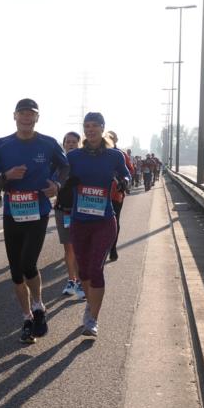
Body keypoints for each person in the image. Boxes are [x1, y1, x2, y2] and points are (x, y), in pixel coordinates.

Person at [0, 99, 68, 344]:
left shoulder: (49, 143)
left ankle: (39, 305)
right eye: (22, 113)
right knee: (15, 272)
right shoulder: (2, 145)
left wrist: (58, 185)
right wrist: (6, 176)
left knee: (28, 263)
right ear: (14, 116)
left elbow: (66, 168)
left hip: (38, 211)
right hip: (13, 213)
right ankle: (27, 318)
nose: (26, 117)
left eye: (31, 114)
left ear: (37, 118)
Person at [66, 113, 131, 337]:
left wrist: (124, 182)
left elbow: (126, 174)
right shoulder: (74, 156)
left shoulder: (114, 155)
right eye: (87, 126)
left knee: (96, 269)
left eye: (95, 126)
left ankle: (93, 319)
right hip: (79, 221)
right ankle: (90, 303)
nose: (90, 129)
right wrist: (65, 182)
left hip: (104, 221)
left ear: (103, 128)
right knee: (83, 270)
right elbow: (58, 176)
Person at [54, 131, 85, 299]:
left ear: (79, 144)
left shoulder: (84, 161)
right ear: (64, 144)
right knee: (69, 248)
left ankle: (81, 282)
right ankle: (71, 280)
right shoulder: (59, 163)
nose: (71, 144)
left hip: (81, 210)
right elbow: (53, 182)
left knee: (79, 247)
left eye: (74, 142)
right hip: (63, 209)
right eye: (68, 142)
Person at [105, 131, 134, 262]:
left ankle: (113, 248)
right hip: (97, 194)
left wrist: (124, 180)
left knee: (115, 220)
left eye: (112, 138)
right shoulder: (97, 153)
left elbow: (130, 171)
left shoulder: (121, 155)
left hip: (116, 194)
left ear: (116, 140)